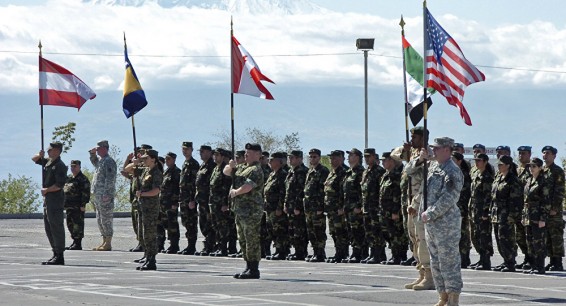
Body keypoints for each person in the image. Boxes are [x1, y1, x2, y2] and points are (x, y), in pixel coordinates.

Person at [419, 137, 464, 306]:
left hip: (446, 224)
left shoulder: (452, 171)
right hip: (431, 223)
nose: (433, 151)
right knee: (435, 261)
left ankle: (453, 297)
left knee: (449, 261)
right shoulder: (433, 166)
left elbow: (450, 197)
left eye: (436, 148)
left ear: (447, 149)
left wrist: (430, 213)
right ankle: (442, 295)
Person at [224, 143, 265, 279]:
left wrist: (236, 192)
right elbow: (226, 172)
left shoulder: (256, 170)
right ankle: (248, 266)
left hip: (251, 210)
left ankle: (254, 269)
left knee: (251, 239)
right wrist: (231, 166)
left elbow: (248, 186)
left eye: (250, 152)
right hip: (240, 210)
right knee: (242, 239)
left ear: (258, 154)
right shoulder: (242, 167)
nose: (246, 154)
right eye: (246, 152)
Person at [402, 127, 434, 290]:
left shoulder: (430, 155)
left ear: (423, 138)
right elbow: (407, 170)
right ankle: (421, 273)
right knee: (415, 240)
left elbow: (427, 183)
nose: (411, 140)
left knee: (423, 241)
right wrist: (415, 158)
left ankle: (429, 276)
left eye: (414, 137)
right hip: (411, 204)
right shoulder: (416, 154)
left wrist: (416, 203)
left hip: (422, 204)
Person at [125, 149, 163, 270]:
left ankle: (152, 259)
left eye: (146, 158)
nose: (144, 160)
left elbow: (156, 190)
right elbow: (127, 170)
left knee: (150, 234)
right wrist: (135, 163)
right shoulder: (145, 170)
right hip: (143, 207)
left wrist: (142, 194)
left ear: (153, 159)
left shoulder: (156, 172)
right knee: (143, 233)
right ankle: (147, 257)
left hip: (151, 207)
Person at [32, 142, 68, 265]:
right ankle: (55, 252)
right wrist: (39, 154)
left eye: (50, 150)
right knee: (49, 227)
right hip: (48, 200)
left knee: (56, 226)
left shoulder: (60, 166)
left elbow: (59, 185)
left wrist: (47, 190)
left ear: (57, 151)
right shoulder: (48, 162)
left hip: (55, 199)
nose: (48, 152)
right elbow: (34, 159)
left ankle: (59, 255)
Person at [491, 155, 523, 272]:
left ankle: (510, 263)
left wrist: (512, 216)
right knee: (499, 239)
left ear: (508, 166)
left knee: (507, 239)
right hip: (496, 213)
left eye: (501, 164)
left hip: (507, 214)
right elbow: (493, 197)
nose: (499, 166)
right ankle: (505, 260)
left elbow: (516, 201)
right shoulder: (498, 178)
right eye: (498, 164)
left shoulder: (513, 180)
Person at [122, 144, 152, 253]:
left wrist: (138, 163)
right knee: (136, 223)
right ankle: (140, 242)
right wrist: (130, 160)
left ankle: (144, 245)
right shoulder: (138, 169)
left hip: (145, 200)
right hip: (135, 199)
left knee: (144, 225)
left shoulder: (147, 168)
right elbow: (125, 171)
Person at [522, 157, 550, 274]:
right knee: (530, 242)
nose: (531, 168)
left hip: (538, 216)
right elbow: (526, 200)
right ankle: (534, 265)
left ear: (540, 167)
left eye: (534, 166)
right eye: (530, 166)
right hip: (529, 216)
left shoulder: (543, 182)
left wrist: (543, 218)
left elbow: (546, 201)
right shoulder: (529, 180)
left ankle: (540, 266)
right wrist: (524, 216)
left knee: (539, 242)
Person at [89, 140, 117, 251]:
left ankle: (108, 242)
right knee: (100, 218)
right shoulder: (101, 161)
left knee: (106, 219)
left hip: (105, 195)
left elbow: (110, 178)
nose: (97, 150)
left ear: (105, 148)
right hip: (98, 195)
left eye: (99, 148)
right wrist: (92, 154)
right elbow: (94, 162)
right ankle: (104, 241)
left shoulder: (109, 161)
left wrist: (107, 193)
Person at [468, 153, 494, 271]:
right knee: (476, 236)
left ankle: (486, 261)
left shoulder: (487, 177)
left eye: (479, 160)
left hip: (483, 212)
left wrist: (485, 212)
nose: (476, 162)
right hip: (475, 210)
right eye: (476, 160)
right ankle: (481, 258)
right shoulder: (476, 175)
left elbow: (488, 196)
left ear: (485, 162)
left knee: (484, 236)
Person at [303, 148, 330, 262]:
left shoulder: (323, 171)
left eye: (314, 157)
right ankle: (315, 251)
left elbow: (323, 191)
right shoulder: (310, 171)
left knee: (319, 230)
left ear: (319, 158)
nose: (312, 159)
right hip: (309, 207)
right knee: (311, 231)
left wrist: (320, 207)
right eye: (311, 157)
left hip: (317, 207)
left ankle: (320, 253)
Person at [360, 148, 386, 264]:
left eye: (369, 156)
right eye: (365, 157)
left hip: (375, 207)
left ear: (374, 157)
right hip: (367, 207)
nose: (366, 159)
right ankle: (372, 253)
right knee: (369, 231)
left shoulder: (379, 171)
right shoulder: (366, 172)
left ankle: (378, 254)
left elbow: (381, 190)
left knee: (377, 232)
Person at [541, 145, 565, 271]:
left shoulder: (557, 171)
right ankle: (551, 260)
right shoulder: (542, 170)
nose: (545, 155)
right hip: (544, 209)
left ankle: (558, 262)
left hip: (554, 211)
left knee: (556, 236)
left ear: (554, 156)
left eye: (548, 153)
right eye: (544, 153)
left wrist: (555, 207)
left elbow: (560, 191)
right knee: (547, 237)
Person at [324, 150, 349, 263]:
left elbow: (344, 192)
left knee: (341, 232)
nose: (332, 160)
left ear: (341, 159)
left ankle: (343, 253)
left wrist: (342, 207)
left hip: (338, 208)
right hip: (331, 208)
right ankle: (338, 252)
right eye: (331, 158)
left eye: (334, 158)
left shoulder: (343, 172)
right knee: (333, 232)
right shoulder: (332, 172)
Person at [379, 151, 404, 265]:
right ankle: (394, 255)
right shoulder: (385, 175)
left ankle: (398, 256)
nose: (383, 162)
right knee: (388, 233)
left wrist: (395, 211)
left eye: (385, 160)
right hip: (384, 211)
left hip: (393, 210)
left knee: (396, 234)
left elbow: (397, 194)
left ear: (392, 161)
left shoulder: (396, 175)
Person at [264, 152, 290, 260]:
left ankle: (282, 251)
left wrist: (280, 207)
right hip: (269, 208)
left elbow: (283, 193)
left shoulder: (282, 174)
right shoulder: (272, 174)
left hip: (276, 209)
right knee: (272, 230)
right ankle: (277, 250)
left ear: (279, 162)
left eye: (272, 160)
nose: (269, 162)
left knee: (280, 230)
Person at [342, 148, 365, 263]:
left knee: (358, 231)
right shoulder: (349, 172)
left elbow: (363, 190)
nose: (349, 157)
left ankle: (360, 253)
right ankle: (355, 252)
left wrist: (359, 205)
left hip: (356, 208)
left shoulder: (360, 171)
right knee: (351, 231)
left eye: (351, 155)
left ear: (357, 157)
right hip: (348, 207)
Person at [284, 150, 308, 260]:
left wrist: (297, 206)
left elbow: (301, 191)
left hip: (297, 207)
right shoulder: (291, 171)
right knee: (292, 230)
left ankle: (301, 252)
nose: (290, 159)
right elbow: (288, 191)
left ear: (299, 159)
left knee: (299, 230)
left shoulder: (302, 171)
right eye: (290, 157)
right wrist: (286, 204)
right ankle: (297, 250)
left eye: (292, 157)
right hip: (290, 206)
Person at [208, 148, 232, 256]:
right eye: (214, 155)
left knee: (223, 226)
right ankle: (219, 246)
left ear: (222, 157)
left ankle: (224, 248)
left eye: (217, 155)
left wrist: (225, 203)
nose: (215, 157)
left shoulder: (225, 169)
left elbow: (226, 188)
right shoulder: (215, 169)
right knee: (216, 225)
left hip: (221, 203)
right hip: (214, 203)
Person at [178, 141, 200, 255]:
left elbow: (195, 183)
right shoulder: (184, 164)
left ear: (191, 150)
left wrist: (193, 199)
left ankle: (192, 246)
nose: (185, 151)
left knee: (191, 222)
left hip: (190, 199)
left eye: (187, 149)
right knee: (186, 222)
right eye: (183, 149)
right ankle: (189, 244)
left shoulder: (194, 164)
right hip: (183, 198)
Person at [63, 160, 91, 251]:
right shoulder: (69, 178)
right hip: (69, 206)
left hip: (77, 206)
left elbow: (86, 193)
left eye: (75, 166)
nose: (73, 168)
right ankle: (74, 241)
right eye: (72, 167)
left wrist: (83, 204)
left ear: (79, 167)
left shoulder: (83, 179)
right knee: (70, 224)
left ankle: (78, 243)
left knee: (77, 225)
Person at [194, 145, 216, 256]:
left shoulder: (212, 165)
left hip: (208, 200)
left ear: (209, 152)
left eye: (203, 151)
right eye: (200, 151)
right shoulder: (203, 165)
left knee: (209, 224)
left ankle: (210, 246)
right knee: (203, 223)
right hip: (201, 200)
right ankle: (208, 245)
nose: (201, 153)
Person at [452, 152, 472, 269]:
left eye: (453, 159)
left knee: (463, 234)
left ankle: (464, 258)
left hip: (461, 208)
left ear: (459, 161)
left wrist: (462, 208)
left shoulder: (463, 174)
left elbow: (465, 193)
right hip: (454, 208)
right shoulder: (454, 173)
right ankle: (459, 257)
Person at [159, 152, 181, 254]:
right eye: (166, 159)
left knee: (172, 225)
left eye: (169, 159)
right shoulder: (166, 172)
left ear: (174, 159)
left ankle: (174, 245)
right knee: (165, 224)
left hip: (171, 203)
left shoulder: (177, 172)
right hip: (163, 202)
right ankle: (164, 244)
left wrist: (176, 202)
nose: (167, 161)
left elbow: (177, 188)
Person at [515, 146, 532, 270]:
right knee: (519, 236)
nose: (521, 156)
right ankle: (526, 257)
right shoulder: (516, 170)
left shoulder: (532, 169)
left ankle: (532, 259)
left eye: (524, 153)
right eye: (520, 153)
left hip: (528, 208)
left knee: (529, 236)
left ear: (529, 154)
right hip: (517, 208)